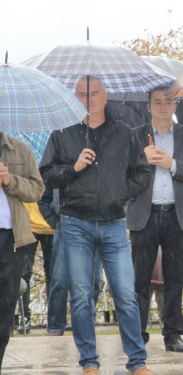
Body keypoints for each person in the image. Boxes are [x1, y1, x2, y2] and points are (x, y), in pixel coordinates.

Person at [39, 76, 154, 375]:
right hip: (75, 223)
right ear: (73, 98)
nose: (87, 99)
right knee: (80, 296)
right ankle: (89, 362)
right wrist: (73, 167)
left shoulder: (124, 132)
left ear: (105, 96)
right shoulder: (62, 133)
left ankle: (137, 362)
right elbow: (47, 176)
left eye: (93, 93)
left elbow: (143, 173)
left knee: (126, 295)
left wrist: (120, 192)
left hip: (115, 224)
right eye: (80, 94)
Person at [125, 85, 183, 353]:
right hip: (144, 216)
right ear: (148, 106)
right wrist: (142, 161)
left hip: (176, 214)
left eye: (168, 101)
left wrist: (173, 164)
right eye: (157, 101)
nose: (162, 106)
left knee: (174, 279)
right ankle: (138, 335)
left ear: (175, 106)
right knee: (140, 280)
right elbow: (123, 177)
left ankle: (173, 335)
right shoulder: (134, 136)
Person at [0, 132, 44, 372]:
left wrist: (10, 180)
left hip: (11, 240)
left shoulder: (20, 150)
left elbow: (37, 189)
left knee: (5, 309)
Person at [38, 188, 103, 336]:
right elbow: (43, 198)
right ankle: (55, 327)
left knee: (93, 282)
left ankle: (86, 326)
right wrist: (53, 221)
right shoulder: (60, 165)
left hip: (96, 224)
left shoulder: (103, 164)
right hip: (65, 225)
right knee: (60, 280)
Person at [16, 202, 53, 334]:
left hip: (51, 225)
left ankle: (53, 319)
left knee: (53, 275)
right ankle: (25, 318)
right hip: (27, 225)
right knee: (24, 274)